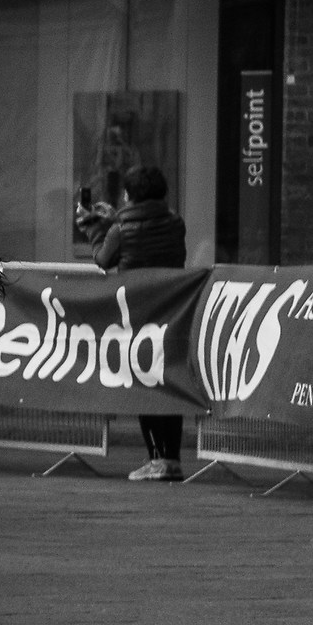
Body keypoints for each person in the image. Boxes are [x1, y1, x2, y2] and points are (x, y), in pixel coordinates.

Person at [94, 166, 190, 482]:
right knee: (167, 381)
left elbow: (103, 259)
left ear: (129, 195)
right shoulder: (176, 223)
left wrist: (99, 228)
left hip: (135, 315)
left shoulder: (120, 228)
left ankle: (155, 460)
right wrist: (114, 220)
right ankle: (172, 460)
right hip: (172, 311)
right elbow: (152, 237)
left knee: (142, 382)